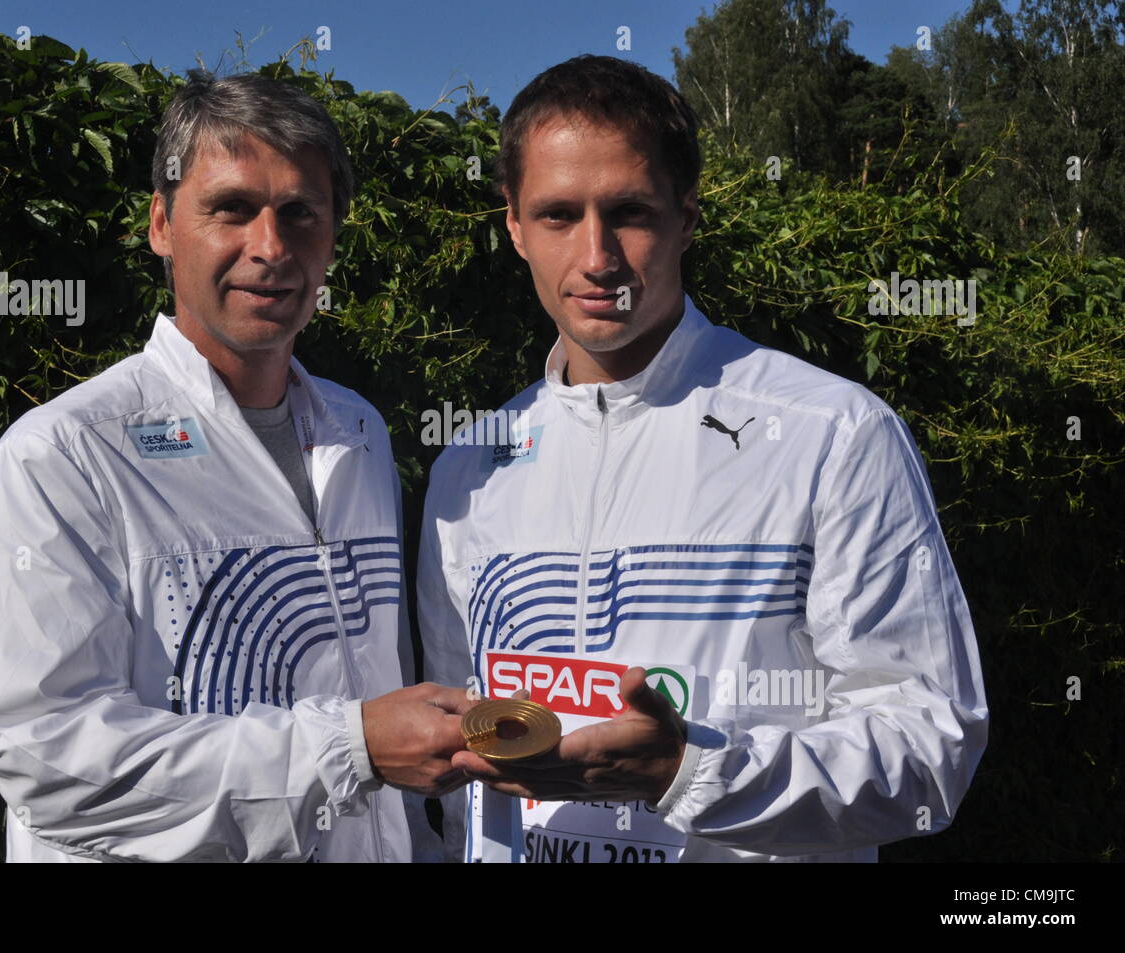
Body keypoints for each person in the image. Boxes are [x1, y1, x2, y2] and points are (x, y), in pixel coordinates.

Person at [417, 55, 989, 863]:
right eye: (556, 215)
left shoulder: (834, 434)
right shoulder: (468, 469)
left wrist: (690, 772)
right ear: (512, 224)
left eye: (629, 212)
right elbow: (461, 766)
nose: (597, 257)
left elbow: (932, 747)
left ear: (687, 216)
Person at [0, 72, 472, 863]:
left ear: (334, 234)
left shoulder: (361, 434)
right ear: (162, 223)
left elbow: (392, 731)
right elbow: (47, 758)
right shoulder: (61, 458)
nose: (270, 248)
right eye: (232, 207)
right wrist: (348, 747)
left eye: (301, 213)